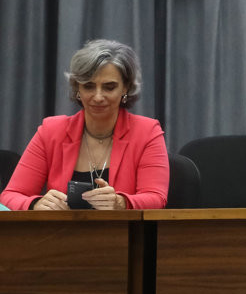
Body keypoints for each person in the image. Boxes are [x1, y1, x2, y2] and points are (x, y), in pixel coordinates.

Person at [2, 39, 168, 211]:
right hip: (60, 228)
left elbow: (156, 197)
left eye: (109, 87)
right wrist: (35, 204)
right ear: (77, 89)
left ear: (125, 88)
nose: (98, 97)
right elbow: (9, 196)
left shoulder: (147, 132)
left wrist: (121, 203)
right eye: (89, 86)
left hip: (122, 228)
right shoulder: (51, 131)